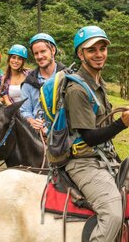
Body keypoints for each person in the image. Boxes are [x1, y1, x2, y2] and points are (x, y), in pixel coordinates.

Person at [64, 25, 129, 241]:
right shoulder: (77, 91)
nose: (99, 54)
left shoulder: (98, 85)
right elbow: (90, 137)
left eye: (103, 48)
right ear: (80, 54)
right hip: (83, 163)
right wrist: (122, 123)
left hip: (103, 158)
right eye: (92, 50)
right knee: (112, 215)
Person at [20, 33, 66, 131]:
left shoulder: (67, 77)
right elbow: (24, 110)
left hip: (64, 133)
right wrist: (31, 120)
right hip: (38, 135)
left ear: (53, 50)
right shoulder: (29, 82)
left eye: (43, 51)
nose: (39, 56)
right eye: (36, 53)